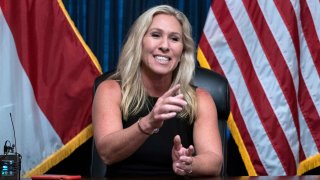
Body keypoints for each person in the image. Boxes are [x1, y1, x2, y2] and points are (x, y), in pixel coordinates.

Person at [92, 4, 222, 177]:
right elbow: (107, 154)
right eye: (156, 35)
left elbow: (214, 162)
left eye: (175, 39)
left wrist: (189, 163)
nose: (165, 46)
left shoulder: (200, 99)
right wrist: (148, 123)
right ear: (139, 42)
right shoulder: (110, 90)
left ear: (183, 51)